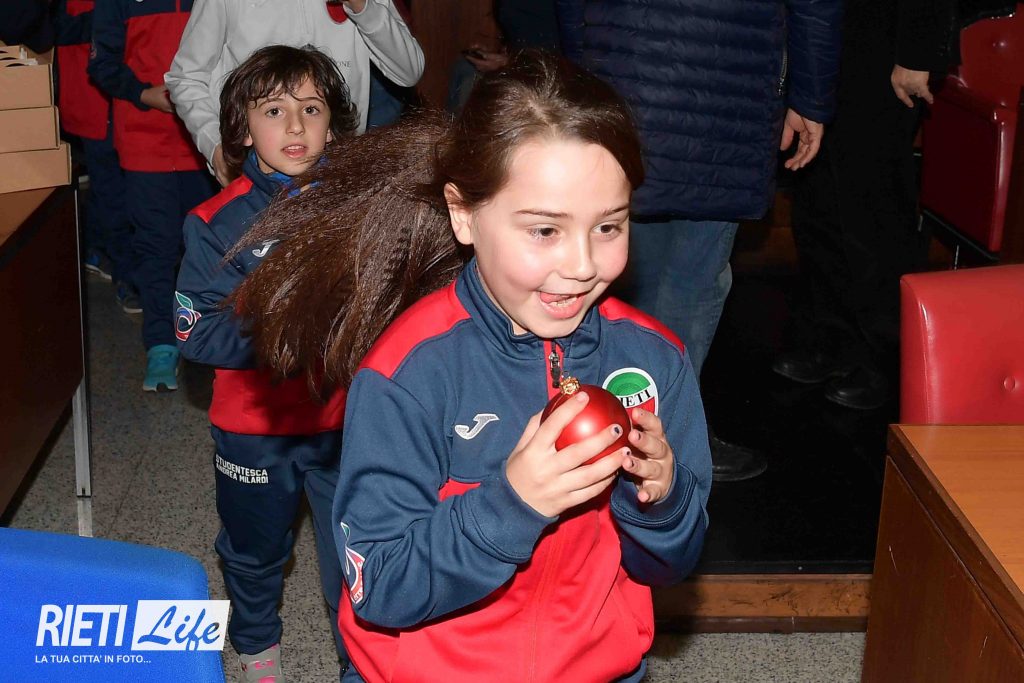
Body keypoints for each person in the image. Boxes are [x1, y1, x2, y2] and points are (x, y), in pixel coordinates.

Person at [232, 51, 712, 682]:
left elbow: (669, 565)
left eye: (608, 227)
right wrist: (512, 503)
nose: (582, 265)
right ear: (463, 213)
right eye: (544, 230)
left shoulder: (653, 360)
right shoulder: (409, 373)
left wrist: (660, 498)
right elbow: (380, 587)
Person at [556, 0, 842, 481]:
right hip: (728, 84)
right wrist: (810, 96)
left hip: (623, 65)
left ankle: (596, 429)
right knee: (689, 284)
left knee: (617, 274)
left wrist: (580, 71)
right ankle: (668, 438)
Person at [174, 46, 357, 682]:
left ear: (333, 124)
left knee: (358, 554)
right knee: (254, 552)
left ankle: (359, 660)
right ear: (244, 129)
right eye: (274, 111)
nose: (296, 126)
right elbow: (196, 332)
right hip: (255, 431)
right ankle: (258, 651)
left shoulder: (362, 210)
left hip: (346, 423)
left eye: (312, 109)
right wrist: (286, 332)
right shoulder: (216, 222)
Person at [774, 0, 972, 410]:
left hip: (885, 45)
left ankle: (886, 357)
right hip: (823, 39)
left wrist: (918, 52)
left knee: (875, 208)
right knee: (817, 197)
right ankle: (832, 337)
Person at [89, 0, 214, 392]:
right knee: (155, 246)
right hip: (143, 141)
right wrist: (142, 94)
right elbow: (102, 63)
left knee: (208, 247)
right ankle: (161, 344)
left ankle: (210, 341)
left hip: (206, 139)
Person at [165, 0, 424, 187]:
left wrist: (361, 5)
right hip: (258, 170)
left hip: (339, 167)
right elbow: (186, 76)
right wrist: (215, 147)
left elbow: (408, 70)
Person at [53, 0, 137, 312]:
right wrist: (113, 17)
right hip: (93, 104)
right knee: (113, 193)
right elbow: (51, 29)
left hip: (132, 102)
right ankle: (127, 276)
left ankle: (99, 249)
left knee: (121, 193)